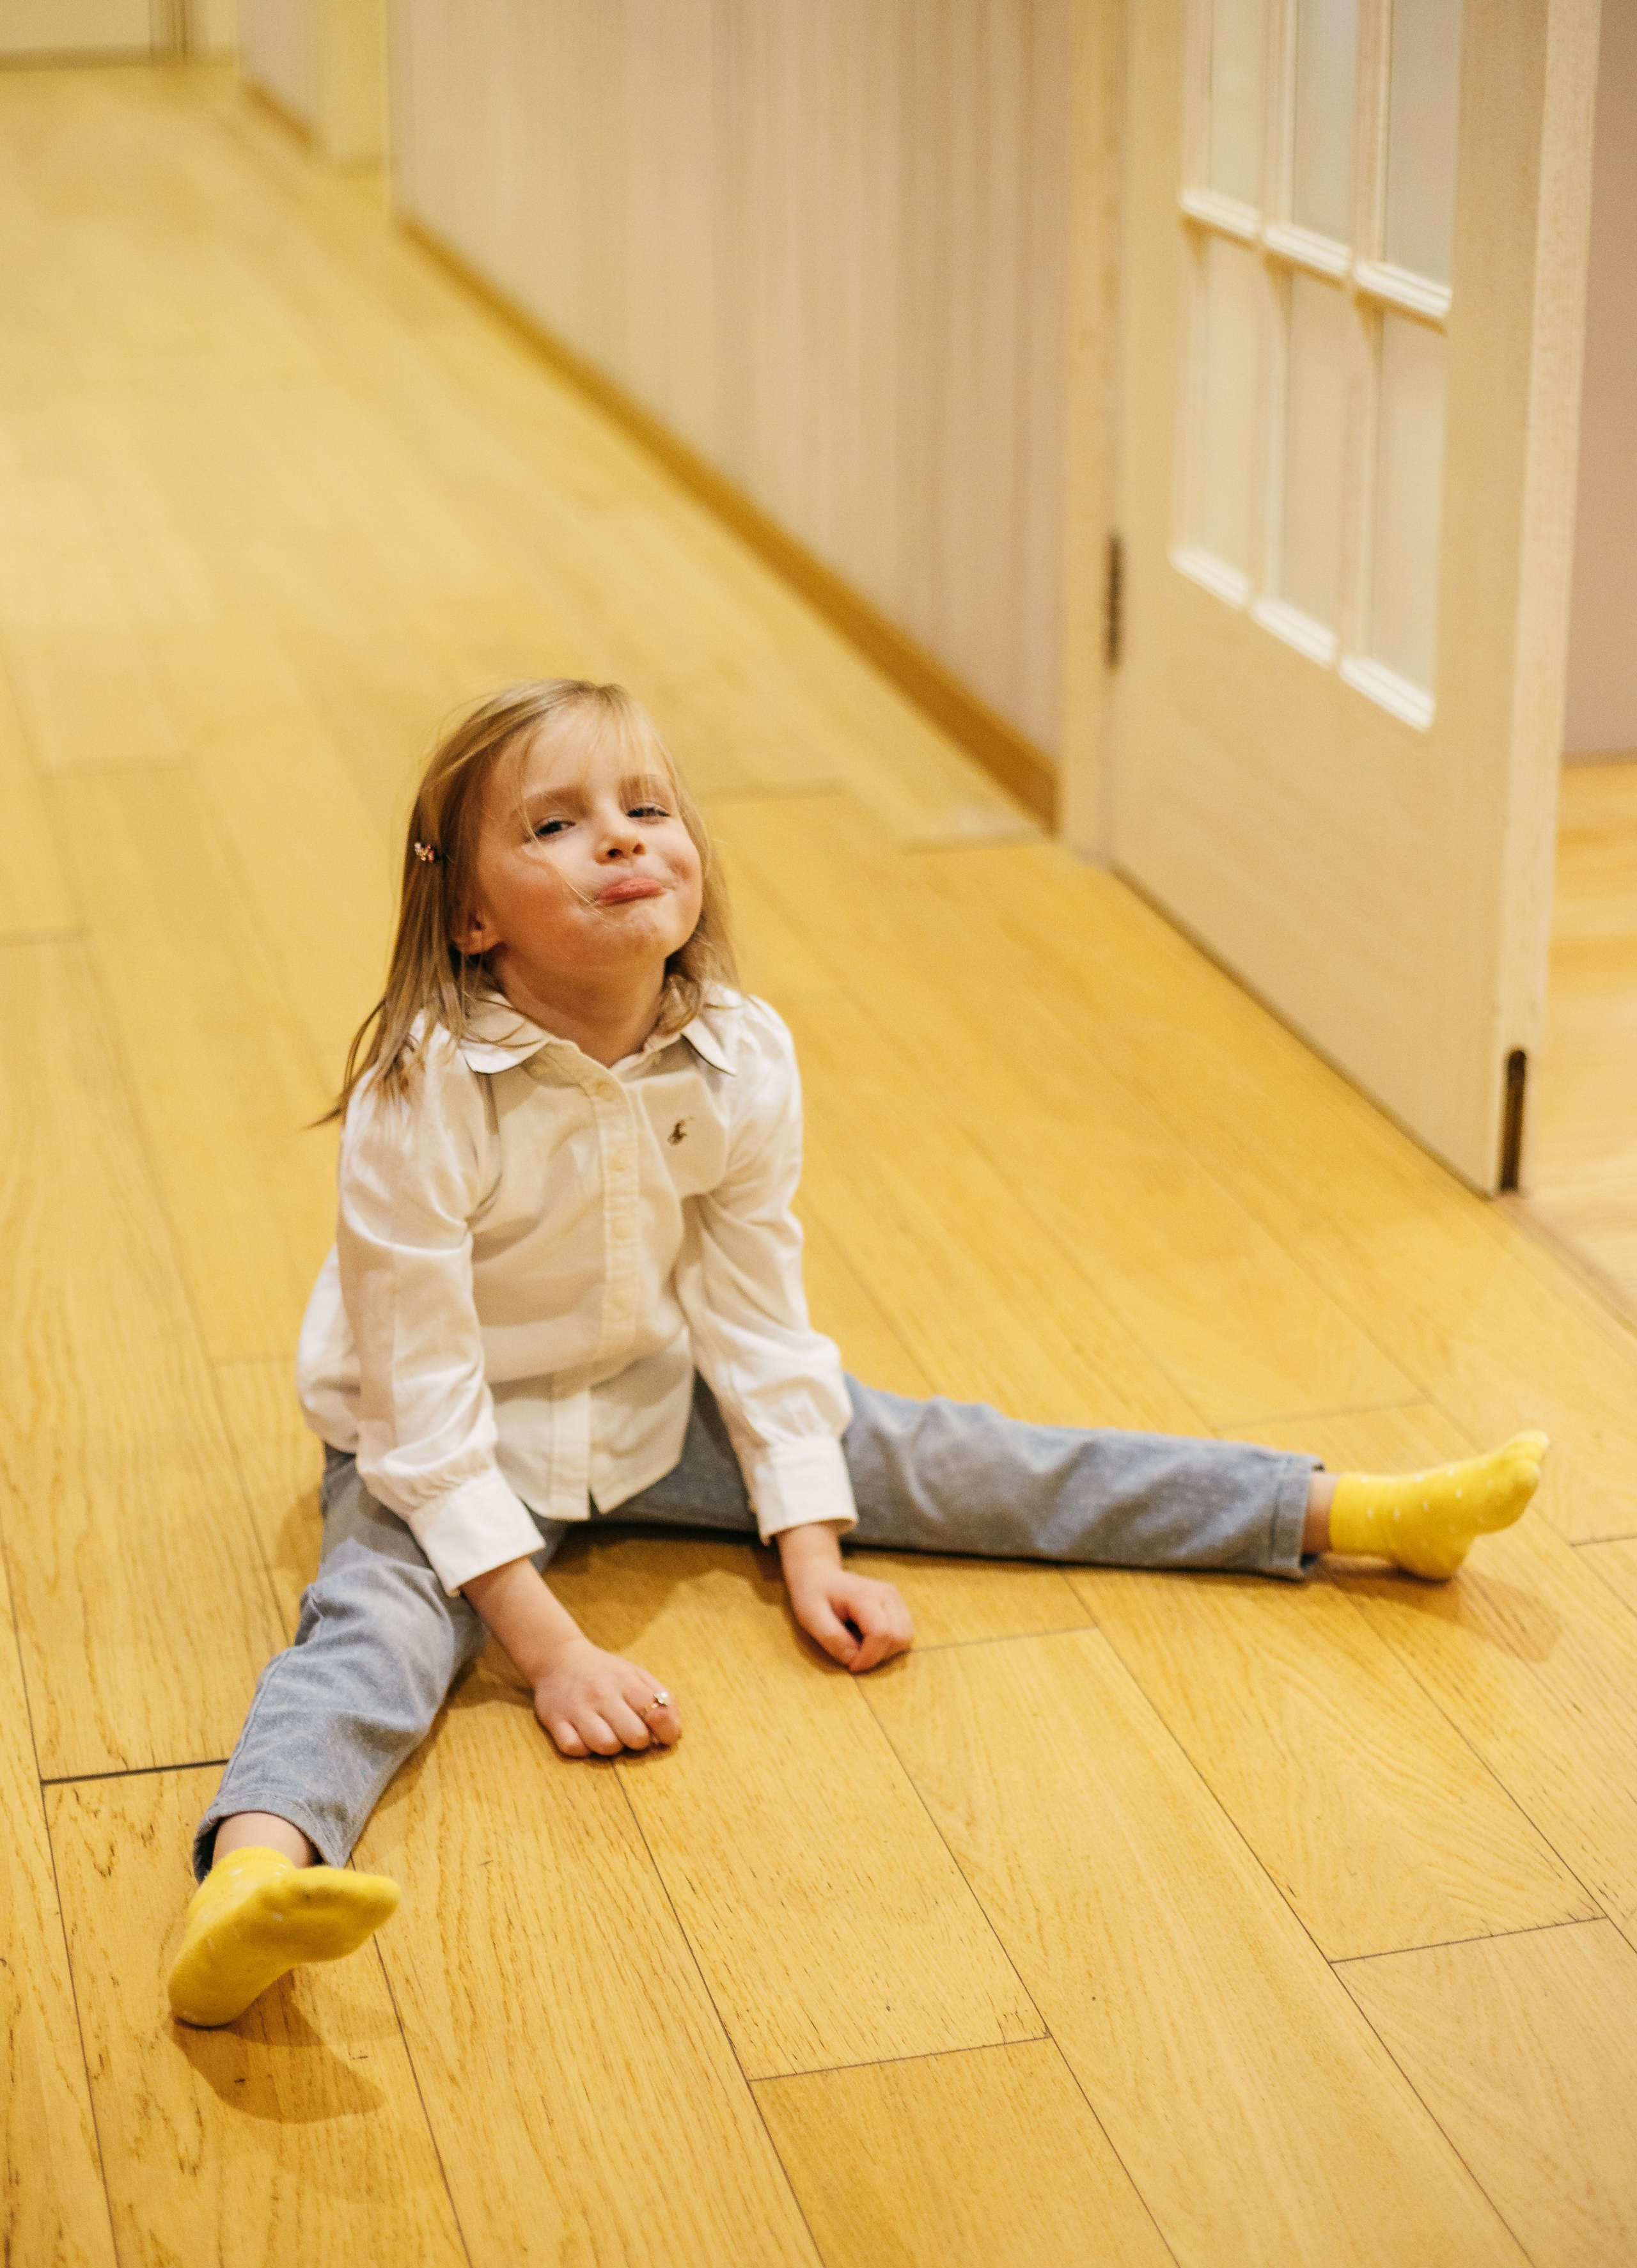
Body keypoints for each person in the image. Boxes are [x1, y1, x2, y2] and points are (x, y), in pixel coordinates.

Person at [167, 680, 1550, 2028]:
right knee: (374, 1635)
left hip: (657, 1403)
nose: (623, 837)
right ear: (470, 916)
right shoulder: (421, 1098)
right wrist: (549, 1649)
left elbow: (758, 1318)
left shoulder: (740, 1059)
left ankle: (1349, 1512)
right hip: (443, 1453)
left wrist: (810, 1539)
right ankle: (250, 1886)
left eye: (647, 805)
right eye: (556, 825)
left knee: (962, 1455)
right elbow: (418, 1414)